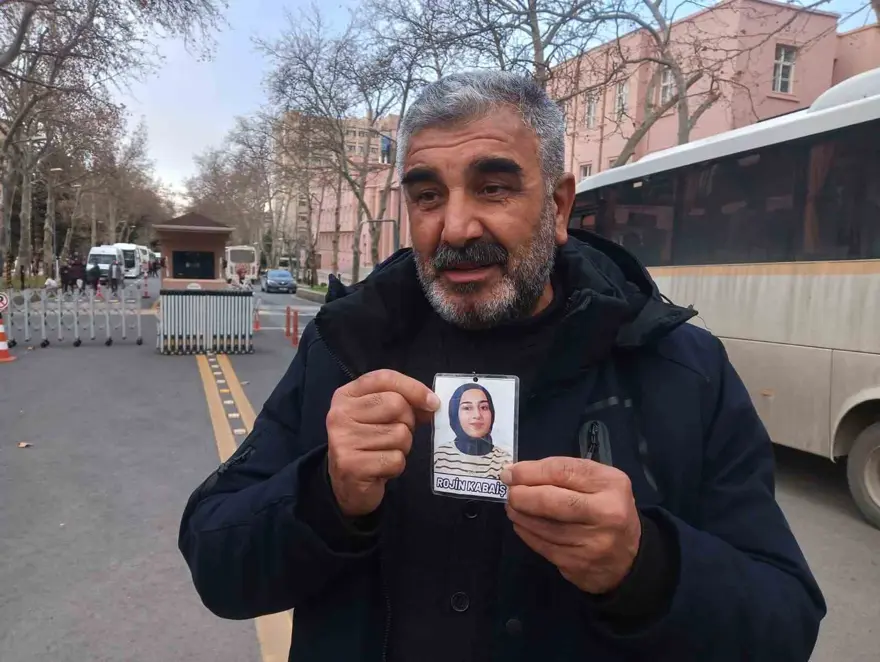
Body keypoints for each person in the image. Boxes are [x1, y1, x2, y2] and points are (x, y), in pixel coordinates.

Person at [179, 71, 824, 662]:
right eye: (428, 196)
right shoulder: (345, 350)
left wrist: (645, 566)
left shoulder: (679, 368)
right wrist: (327, 496)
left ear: (560, 207)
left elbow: (785, 626)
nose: (456, 227)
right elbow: (217, 565)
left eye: (493, 187)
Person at [435, 383, 512, 479]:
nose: (477, 415)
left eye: (484, 407)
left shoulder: (505, 461)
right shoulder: (439, 456)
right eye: (467, 408)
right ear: (455, 414)